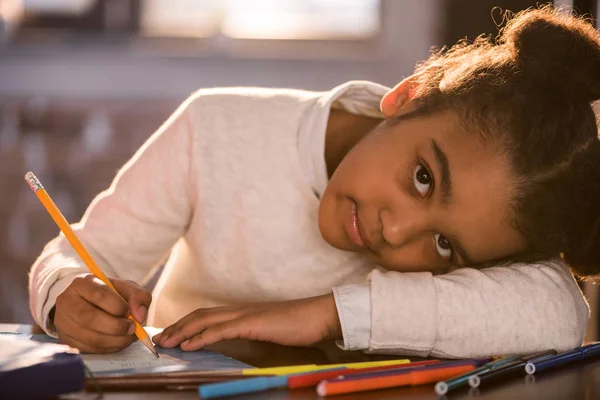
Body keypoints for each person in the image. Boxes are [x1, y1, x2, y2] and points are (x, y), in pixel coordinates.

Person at [29, 6, 596, 359]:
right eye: (423, 178)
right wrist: (63, 296)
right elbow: (76, 253)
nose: (396, 233)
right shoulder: (215, 128)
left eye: (445, 247)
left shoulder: (491, 222)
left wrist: (328, 313)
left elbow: (560, 313)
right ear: (410, 96)